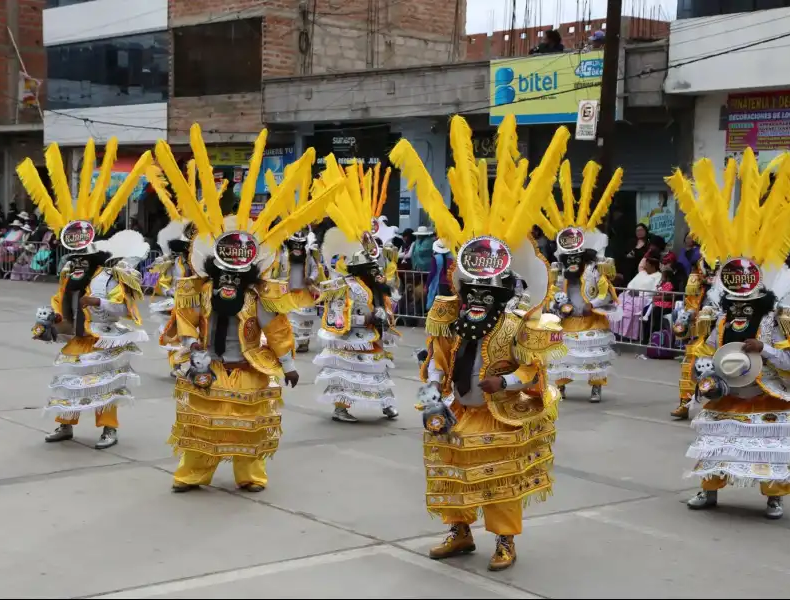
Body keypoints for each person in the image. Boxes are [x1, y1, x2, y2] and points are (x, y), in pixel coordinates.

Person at [390, 113, 567, 572]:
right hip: (456, 410)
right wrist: (431, 391)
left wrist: (505, 382)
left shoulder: (517, 323)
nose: (476, 300)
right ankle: (459, 532)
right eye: (472, 291)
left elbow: (533, 372)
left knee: (501, 482)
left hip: (497, 415)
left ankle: (505, 541)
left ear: (504, 291)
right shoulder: (448, 315)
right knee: (452, 476)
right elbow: (436, 359)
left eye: (487, 293)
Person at [155, 124, 336, 493]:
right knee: (201, 424)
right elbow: (186, 321)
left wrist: (287, 364)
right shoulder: (198, 290)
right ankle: (192, 474)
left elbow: (278, 328)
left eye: (236, 275)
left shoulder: (257, 296)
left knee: (248, 427)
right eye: (224, 273)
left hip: (250, 367)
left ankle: (250, 476)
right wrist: (190, 348)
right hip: (208, 365)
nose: (228, 282)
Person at [666, 147, 790, 520]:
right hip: (726, 393)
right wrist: (706, 376)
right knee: (715, 444)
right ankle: (709, 492)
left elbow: (789, 361)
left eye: (746, 299)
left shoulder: (773, 319)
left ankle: (774, 497)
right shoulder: (719, 318)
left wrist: (762, 348)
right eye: (734, 298)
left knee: (768, 450)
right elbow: (705, 352)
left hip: (765, 394)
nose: (739, 307)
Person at [18, 139, 152, 449]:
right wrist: (49, 321)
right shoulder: (68, 275)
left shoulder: (113, 274)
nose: (76, 261)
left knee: (104, 387)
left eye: (82, 256)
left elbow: (124, 309)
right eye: (73, 255)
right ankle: (65, 425)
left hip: (103, 340)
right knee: (68, 383)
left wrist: (97, 302)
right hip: (76, 339)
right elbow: (58, 303)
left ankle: (109, 430)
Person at [313, 160, 400, 424]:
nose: (376, 272)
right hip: (350, 340)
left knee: (380, 370)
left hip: (373, 338)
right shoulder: (343, 287)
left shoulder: (377, 286)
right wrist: (367, 319)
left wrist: (384, 315)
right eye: (371, 268)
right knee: (348, 375)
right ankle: (341, 408)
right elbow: (334, 317)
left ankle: (387, 405)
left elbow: (389, 301)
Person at [545, 158, 623, 403]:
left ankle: (596, 387)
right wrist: (558, 306)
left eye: (576, 257)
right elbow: (551, 293)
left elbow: (606, 292)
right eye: (569, 258)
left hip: (591, 320)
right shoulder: (559, 272)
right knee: (563, 356)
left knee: (593, 357)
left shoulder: (593, 270)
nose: (572, 262)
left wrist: (594, 305)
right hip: (568, 321)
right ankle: (562, 386)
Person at [143, 182, 195, 378]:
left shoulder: (200, 262)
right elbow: (155, 280)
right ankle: (176, 366)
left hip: (195, 302)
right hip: (175, 301)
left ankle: (192, 364)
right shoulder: (170, 261)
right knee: (174, 334)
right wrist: (167, 291)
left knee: (193, 335)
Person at [670, 258, 720, 419]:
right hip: (701, 336)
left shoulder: (731, 287)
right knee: (689, 366)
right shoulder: (699, 285)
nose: (710, 275)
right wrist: (685, 318)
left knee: (722, 371)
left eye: (714, 270)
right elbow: (691, 306)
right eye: (707, 269)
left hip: (725, 334)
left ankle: (719, 407)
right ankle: (685, 403)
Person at [426, 239, 453, 310]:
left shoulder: (436, 258)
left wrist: (427, 285)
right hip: (451, 283)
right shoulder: (452, 257)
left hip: (440, 283)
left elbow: (432, 272)